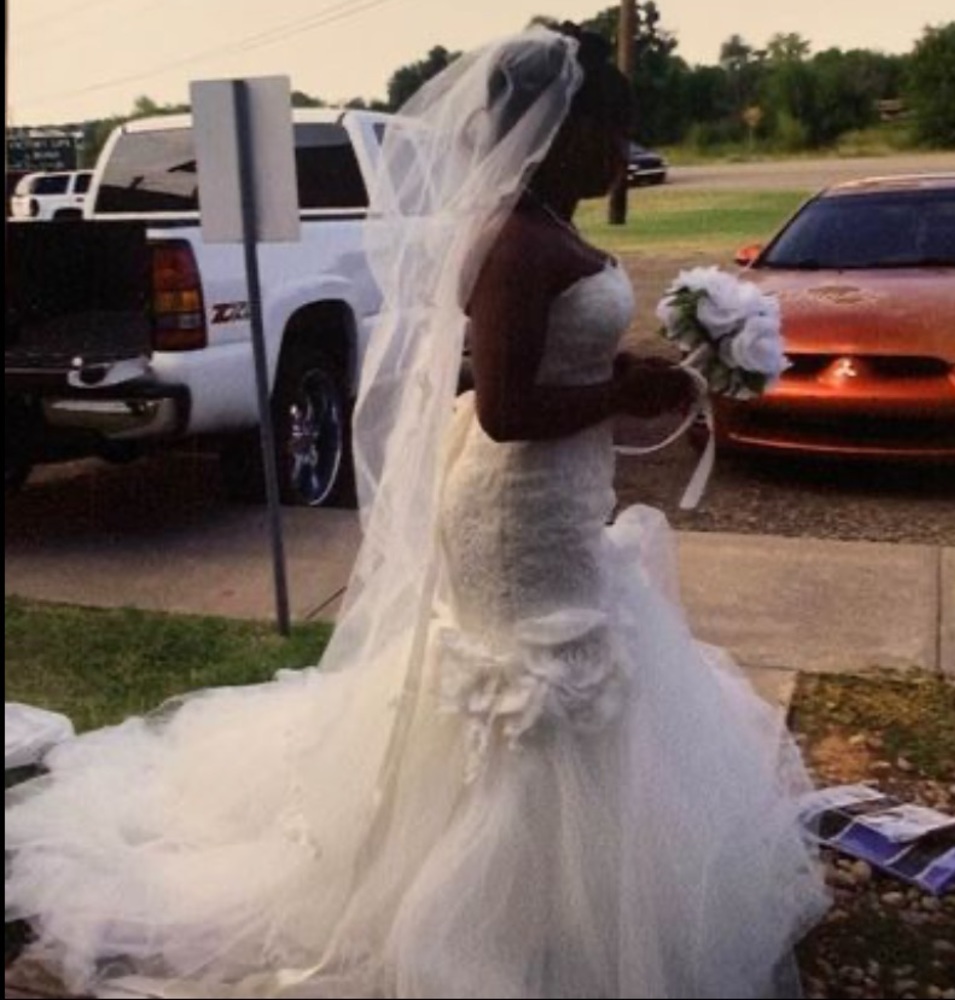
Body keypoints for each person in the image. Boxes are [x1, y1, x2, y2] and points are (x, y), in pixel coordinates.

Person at [5, 26, 828, 1000]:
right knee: (538, 691)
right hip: (517, 509)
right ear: (559, 130)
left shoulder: (547, 227)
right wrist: (620, 394)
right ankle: (500, 930)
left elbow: (519, 372)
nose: (624, 157)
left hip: (554, 496)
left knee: (557, 689)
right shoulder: (518, 240)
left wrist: (628, 376)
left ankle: (547, 912)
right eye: (614, 134)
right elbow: (511, 408)